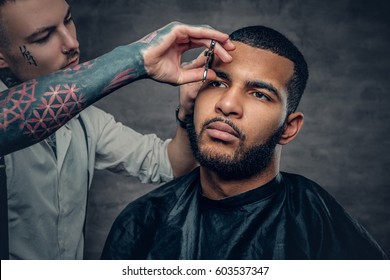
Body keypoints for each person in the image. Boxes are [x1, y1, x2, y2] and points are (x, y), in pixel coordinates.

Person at [101, 25, 388, 260]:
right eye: (217, 83)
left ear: (288, 128)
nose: (227, 104)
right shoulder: (141, 223)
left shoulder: (316, 223)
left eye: (259, 94)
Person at [0, 0, 235, 259]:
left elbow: (170, 163)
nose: (71, 44)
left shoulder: (86, 120)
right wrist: (135, 59)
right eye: (43, 37)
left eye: (68, 20)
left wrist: (187, 113)